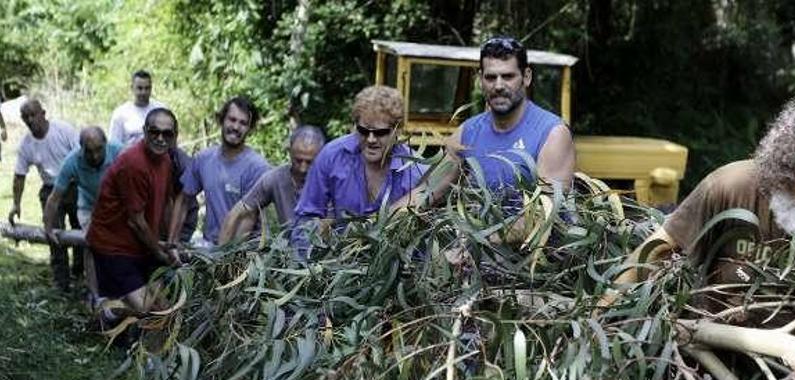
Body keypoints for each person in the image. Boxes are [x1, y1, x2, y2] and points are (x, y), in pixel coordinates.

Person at [607, 96, 795, 323]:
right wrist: (601, 319)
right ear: (786, 170)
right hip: (713, 348)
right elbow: (654, 252)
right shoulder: (731, 187)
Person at [392, 36, 575, 211]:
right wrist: (377, 224)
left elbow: (544, 216)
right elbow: (427, 192)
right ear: (480, 79)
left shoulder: (552, 133)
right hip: (475, 240)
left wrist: (476, 240)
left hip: (532, 244)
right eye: (490, 77)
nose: (498, 86)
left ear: (526, 77)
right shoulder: (468, 132)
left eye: (508, 76)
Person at [86, 108, 180, 315]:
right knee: (148, 308)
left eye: (167, 134)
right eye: (154, 132)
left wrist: (169, 242)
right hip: (113, 245)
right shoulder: (134, 164)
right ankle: (105, 310)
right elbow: (136, 221)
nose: (160, 138)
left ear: (175, 136)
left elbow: (166, 203)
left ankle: (114, 302)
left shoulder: (165, 160)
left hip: (139, 243)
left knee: (164, 306)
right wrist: (158, 252)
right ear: (144, 131)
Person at [294, 86, 426, 227]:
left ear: (397, 130)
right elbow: (306, 216)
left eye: (380, 133)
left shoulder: (417, 171)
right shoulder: (332, 156)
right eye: (363, 131)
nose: (370, 139)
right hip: (342, 245)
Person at [170, 96, 270, 247]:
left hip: (244, 251)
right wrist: (173, 242)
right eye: (232, 119)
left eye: (243, 123)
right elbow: (184, 199)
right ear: (222, 120)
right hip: (209, 247)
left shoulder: (258, 167)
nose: (236, 127)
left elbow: (248, 217)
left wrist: (226, 257)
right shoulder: (203, 159)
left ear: (250, 129)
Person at [10, 98, 82, 291]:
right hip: (50, 190)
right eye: (26, 117)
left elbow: (81, 157)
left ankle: (80, 272)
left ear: (43, 113)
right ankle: (61, 282)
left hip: (74, 185)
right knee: (53, 234)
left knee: (81, 229)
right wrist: (16, 204)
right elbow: (19, 176)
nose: (31, 120)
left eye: (34, 115)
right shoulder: (26, 144)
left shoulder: (64, 130)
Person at [43, 126, 122, 300]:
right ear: (81, 148)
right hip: (89, 207)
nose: (95, 156)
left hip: (117, 205)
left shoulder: (119, 151)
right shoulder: (72, 161)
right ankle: (95, 295)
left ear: (105, 144)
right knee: (91, 244)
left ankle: (121, 287)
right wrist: (48, 228)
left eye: (99, 150)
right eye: (89, 151)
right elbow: (54, 197)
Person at [218, 125, 325, 244]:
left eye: (309, 162)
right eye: (298, 160)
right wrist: (221, 255)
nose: (303, 169)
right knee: (248, 215)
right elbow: (237, 213)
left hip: (323, 253)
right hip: (288, 254)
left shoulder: (329, 182)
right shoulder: (275, 178)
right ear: (290, 152)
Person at [108, 70, 166, 147]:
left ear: (151, 88)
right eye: (140, 88)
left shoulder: (161, 110)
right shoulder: (120, 114)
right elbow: (113, 146)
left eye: (147, 88)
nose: (143, 92)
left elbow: (169, 139)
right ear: (132, 88)